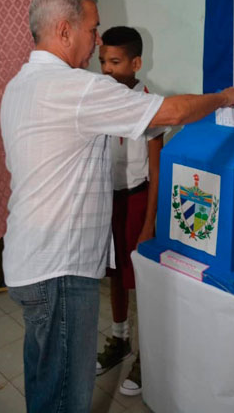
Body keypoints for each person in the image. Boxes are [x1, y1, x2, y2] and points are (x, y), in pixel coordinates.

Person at [0, 0, 234, 413]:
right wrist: (223, 98)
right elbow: (173, 112)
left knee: (44, 377)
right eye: (92, 30)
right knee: (64, 395)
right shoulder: (75, 88)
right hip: (58, 267)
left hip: (28, 259)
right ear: (63, 30)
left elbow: (144, 130)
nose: (96, 42)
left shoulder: (20, 84)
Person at [96, 26, 164, 395]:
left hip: (139, 200)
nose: (106, 69)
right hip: (108, 200)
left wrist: (149, 222)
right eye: (103, 60)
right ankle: (119, 339)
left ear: (136, 63)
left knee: (139, 280)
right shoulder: (99, 100)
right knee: (115, 275)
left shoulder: (150, 105)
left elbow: (156, 171)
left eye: (115, 61)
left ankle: (146, 354)